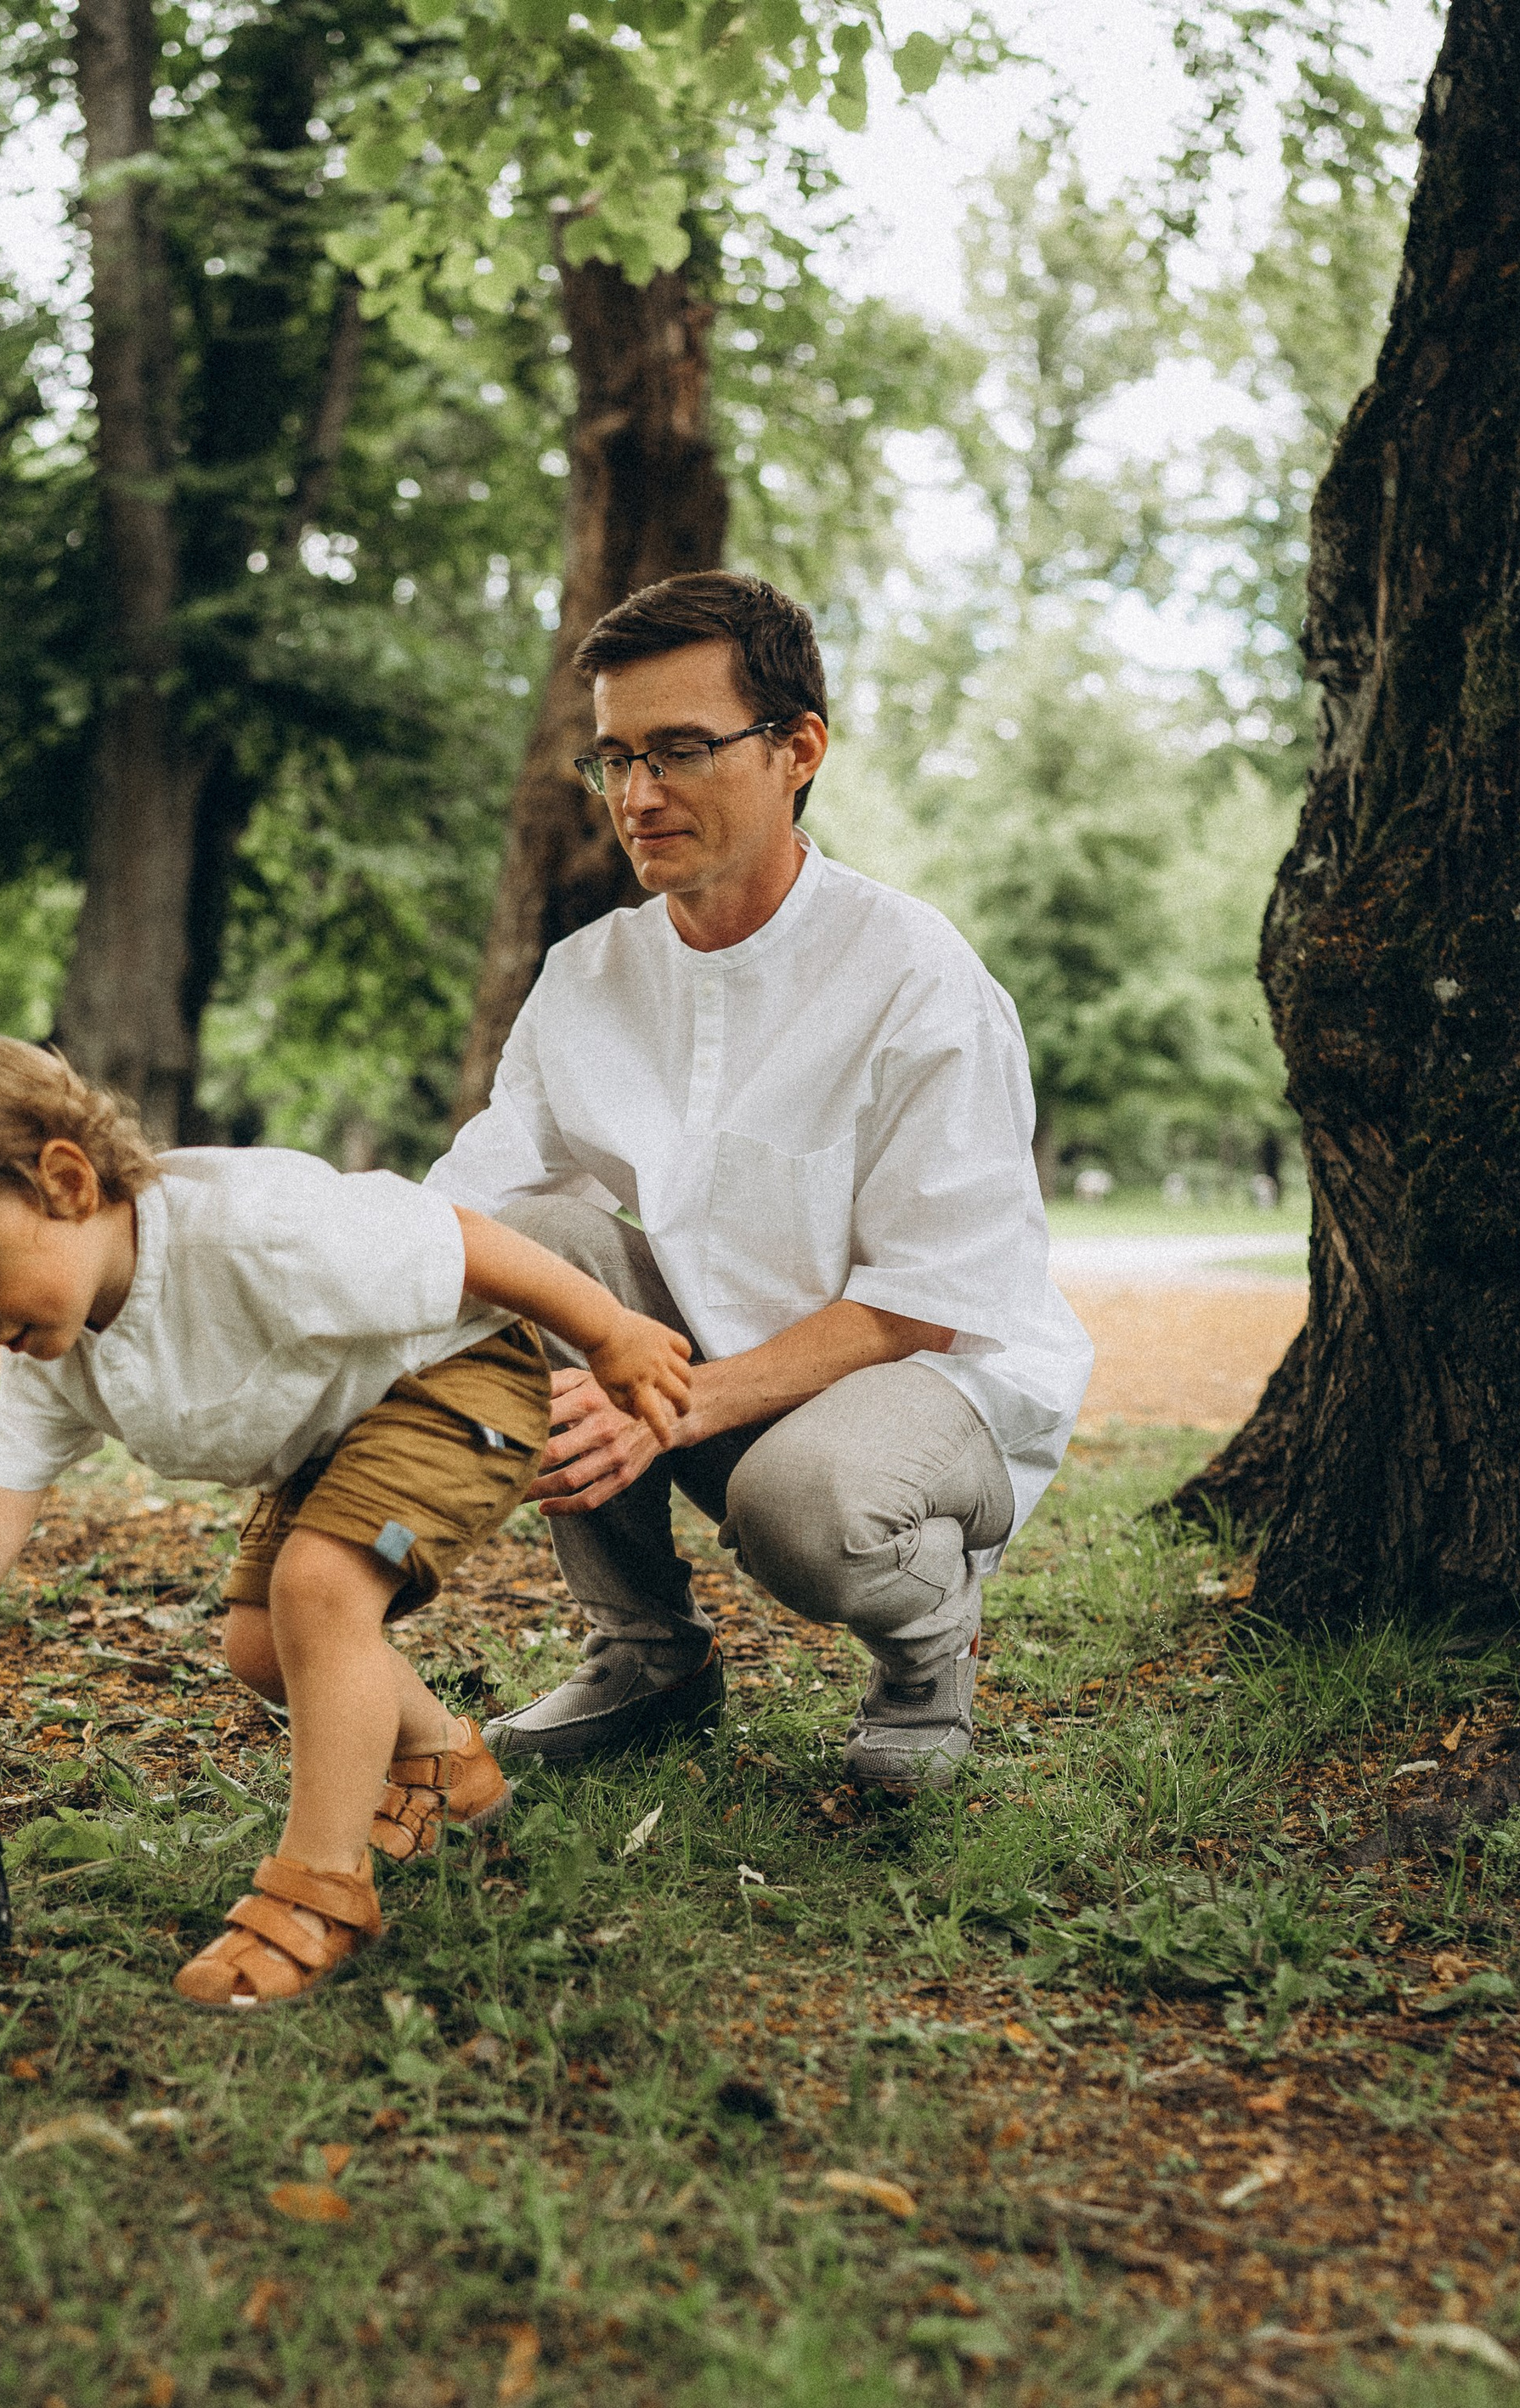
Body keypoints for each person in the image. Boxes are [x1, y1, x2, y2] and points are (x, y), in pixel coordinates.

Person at [0, 1033, 689, 2007]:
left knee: (319, 1591)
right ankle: (442, 1763)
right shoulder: (56, 1357)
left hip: (452, 1382)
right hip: (336, 1433)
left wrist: (609, 1333)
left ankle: (321, 1891)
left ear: (67, 1182)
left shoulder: (251, 1228)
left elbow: (462, 1239)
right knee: (261, 1648)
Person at [426, 569, 1093, 1790]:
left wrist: (665, 1404)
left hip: (936, 1381)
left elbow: (926, 1299)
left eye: (680, 750)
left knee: (805, 1504)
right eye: (614, 758)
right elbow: (461, 1213)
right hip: (721, 1370)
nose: (638, 795)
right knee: (531, 1245)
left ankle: (927, 1650)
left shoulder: (915, 975)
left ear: (798, 751)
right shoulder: (588, 977)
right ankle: (647, 1654)